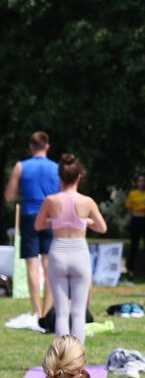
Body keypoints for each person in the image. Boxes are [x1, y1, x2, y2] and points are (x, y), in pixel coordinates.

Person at [33, 155, 106, 342]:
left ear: (60, 177)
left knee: (61, 313)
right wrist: (86, 221)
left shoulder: (51, 200)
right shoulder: (86, 201)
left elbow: (38, 225)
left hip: (58, 253)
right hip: (79, 253)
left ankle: (62, 358)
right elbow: (102, 227)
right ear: (79, 177)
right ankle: (77, 360)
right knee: (79, 312)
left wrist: (54, 221)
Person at [5, 131, 61, 318]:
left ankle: (37, 311)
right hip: (52, 217)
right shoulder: (57, 168)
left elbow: (9, 196)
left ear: (30, 146)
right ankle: (48, 310)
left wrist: (24, 192)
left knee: (32, 265)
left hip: (30, 216)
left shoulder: (21, 167)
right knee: (49, 265)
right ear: (47, 146)